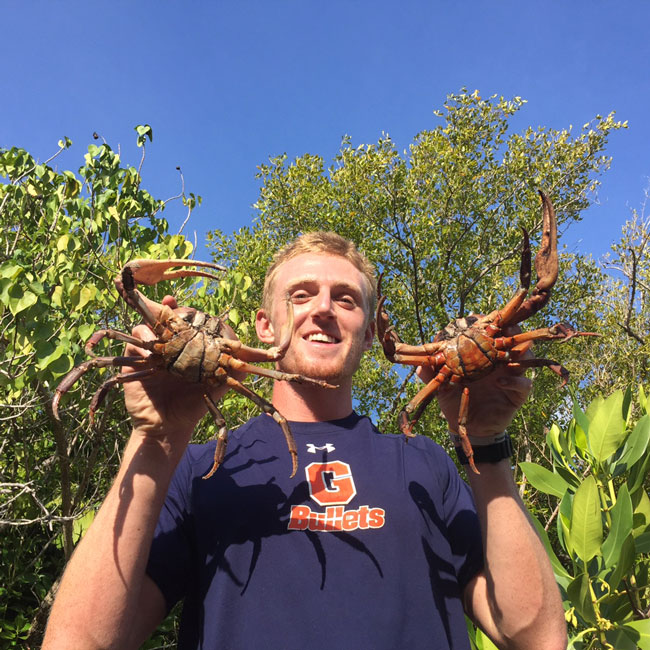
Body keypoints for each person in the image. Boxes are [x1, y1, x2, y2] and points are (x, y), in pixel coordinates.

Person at [43, 232, 567, 649]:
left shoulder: (425, 466)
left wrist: (487, 442)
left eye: (346, 299)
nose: (323, 310)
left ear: (370, 335)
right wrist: (155, 438)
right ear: (264, 327)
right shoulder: (203, 468)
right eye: (302, 295)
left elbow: (537, 638)